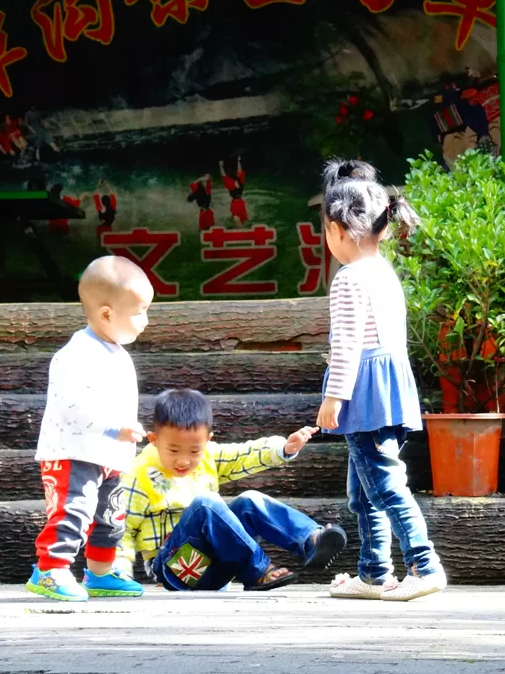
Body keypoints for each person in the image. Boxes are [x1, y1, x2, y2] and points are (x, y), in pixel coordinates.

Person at [317, 159, 446, 602]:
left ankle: (424, 566)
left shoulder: (348, 278)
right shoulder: (384, 273)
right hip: (390, 386)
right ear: (383, 227)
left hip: (364, 392)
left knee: (385, 486)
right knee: (366, 490)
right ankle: (373, 573)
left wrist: (334, 396)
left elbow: (347, 343)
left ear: (336, 229)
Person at [114, 388, 347, 591]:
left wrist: (283, 448)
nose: (184, 460)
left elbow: (243, 455)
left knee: (249, 501)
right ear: (154, 440)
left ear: (207, 441)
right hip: (177, 570)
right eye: (173, 450)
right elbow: (122, 529)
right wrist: (118, 574)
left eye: (194, 451)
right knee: (205, 504)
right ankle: (258, 569)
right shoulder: (139, 473)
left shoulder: (208, 457)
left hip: (217, 567)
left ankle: (310, 540)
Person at [26, 255, 154, 602]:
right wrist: (115, 428)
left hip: (110, 456)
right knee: (73, 511)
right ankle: (50, 569)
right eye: (140, 312)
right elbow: (73, 407)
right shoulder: (76, 353)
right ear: (107, 314)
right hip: (73, 453)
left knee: (110, 516)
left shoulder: (116, 352)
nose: (146, 321)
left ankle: (99, 573)